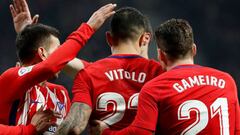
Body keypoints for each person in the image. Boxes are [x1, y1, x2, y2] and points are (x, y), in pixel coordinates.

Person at [93, 19, 240, 135]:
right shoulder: (227, 81)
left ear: (160, 55)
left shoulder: (154, 89)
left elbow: (141, 133)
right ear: (194, 49)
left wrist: (105, 132)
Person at [0, 2, 116, 135]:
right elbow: (49, 66)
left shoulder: (60, 94)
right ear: (43, 53)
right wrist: (88, 28)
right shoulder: (11, 78)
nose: (63, 57)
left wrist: (28, 33)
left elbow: (92, 71)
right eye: (58, 50)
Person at [55, 7, 164, 135]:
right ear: (145, 39)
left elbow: (73, 127)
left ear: (108, 38)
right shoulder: (160, 73)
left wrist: (88, 27)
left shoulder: (90, 73)